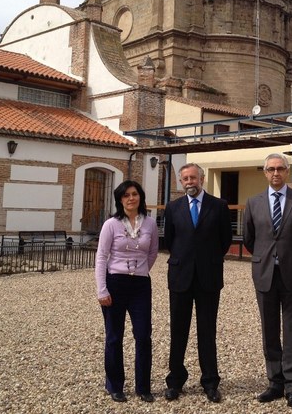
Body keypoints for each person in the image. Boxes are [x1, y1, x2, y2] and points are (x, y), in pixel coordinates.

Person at [243, 152, 292, 409]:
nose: (276, 173)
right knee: (269, 328)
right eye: (271, 169)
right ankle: (274, 382)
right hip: (264, 273)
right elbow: (249, 239)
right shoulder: (253, 202)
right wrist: (267, 257)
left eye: (280, 169)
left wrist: (291, 257)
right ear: (265, 173)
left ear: (287, 172)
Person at [163, 163, 232, 403]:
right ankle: (175, 381)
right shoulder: (173, 208)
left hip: (208, 277)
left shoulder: (219, 206)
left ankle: (210, 381)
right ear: (181, 182)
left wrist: (206, 260)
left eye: (193, 177)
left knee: (207, 332)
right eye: (185, 179)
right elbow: (170, 240)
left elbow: (225, 240)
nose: (189, 182)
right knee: (178, 331)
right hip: (180, 277)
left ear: (202, 178)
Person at [95, 180, 159, 403]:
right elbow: (102, 257)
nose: (131, 198)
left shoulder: (150, 224)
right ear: (120, 199)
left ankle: (143, 387)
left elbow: (152, 253)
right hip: (115, 283)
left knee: (143, 336)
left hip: (140, 285)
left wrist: (139, 271)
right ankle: (114, 385)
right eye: (126, 195)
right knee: (114, 337)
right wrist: (101, 289)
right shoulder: (111, 224)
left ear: (140, 197)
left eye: (135, 194)